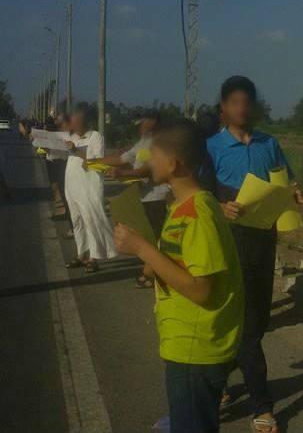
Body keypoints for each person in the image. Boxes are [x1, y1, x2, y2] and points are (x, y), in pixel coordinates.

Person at [113, 118, 244, 433]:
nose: (148, 162)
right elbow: (177, 260)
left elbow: (201, 290)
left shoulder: (198, 214)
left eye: (153, 155)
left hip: (195, 348)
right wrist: (149, 260)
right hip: (185, 343)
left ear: (173, 164)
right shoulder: (180, 207)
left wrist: (143, 249)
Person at [206, 76, 303, 433]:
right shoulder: (211, 146)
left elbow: (284, 180)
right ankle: (262, 405)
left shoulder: (269, 143)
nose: (242, 108)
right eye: (234, 102)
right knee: (247, 327)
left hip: (265, 238)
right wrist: (220, 206)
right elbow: (197, 195)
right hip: (230, 240)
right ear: (224, 108)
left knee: (259, 321)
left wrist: (294, 193)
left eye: (247, 102)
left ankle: (215, 383)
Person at [88, 110, 170, 287]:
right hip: (144, 196)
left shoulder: (161, 142)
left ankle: (155, 274)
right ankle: (153, 272)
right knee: (151, 237)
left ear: (154, 124)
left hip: (159, 197)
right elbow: (121, 158)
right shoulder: (142, 143)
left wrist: (123, 173)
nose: (140, 126)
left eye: (144, 123)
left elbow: (149, 169)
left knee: (158, 238)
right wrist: (95, 162)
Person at [63, 105, 117, 272]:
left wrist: (76, 150)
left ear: (84, 121)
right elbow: (58, 155)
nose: (72, 122)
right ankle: (81, 254)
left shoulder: (95, 137)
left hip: (89, 187)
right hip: (71, 186)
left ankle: (94, 258)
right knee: (77, 221)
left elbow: (97, 161)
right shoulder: (71, 137)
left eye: (76, 119)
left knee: (91, 220)